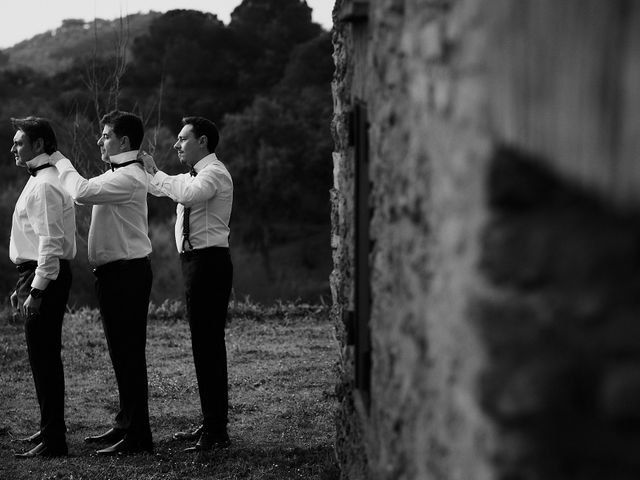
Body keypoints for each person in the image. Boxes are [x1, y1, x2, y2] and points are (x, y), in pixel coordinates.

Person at [49, 110, 153, 456]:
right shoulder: (119, 173)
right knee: (120, 353)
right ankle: (126, 424)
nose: (99, 140)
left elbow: (80, 191)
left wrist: (60, 160)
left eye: (105, 135)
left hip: (127, 274)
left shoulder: (129, 176)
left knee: (129, 355)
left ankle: (138, 437)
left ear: (124, 141)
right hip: (115, 276)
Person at [141, 116, 233, 452]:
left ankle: (216, 430)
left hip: (210, 264)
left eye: (183, 139)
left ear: (203, 141)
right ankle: (211, 424)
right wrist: (140, 170)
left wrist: (157, 173)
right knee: (202, 345)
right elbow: (161, 187)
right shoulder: (192, 175)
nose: (177, 145)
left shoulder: (214, 174)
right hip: (195, 264)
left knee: (208, 346)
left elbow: (189, 195)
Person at [9, 117, 76, 458]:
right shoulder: (40, 179)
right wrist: (24, 285)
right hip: (35, 273)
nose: (13, 148)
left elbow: (50, 245)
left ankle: (54, 440)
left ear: (38, 146)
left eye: (19, 143)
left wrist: (35, 290)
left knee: (45, 358)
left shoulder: (46, 184)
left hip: (44, 274)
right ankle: (50, 430)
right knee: (41, 358)